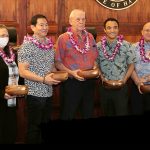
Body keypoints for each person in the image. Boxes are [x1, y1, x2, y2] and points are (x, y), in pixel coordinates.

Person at [18, 14, 60, 144]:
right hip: (34, 94)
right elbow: (23, 72)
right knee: (34, 128)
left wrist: (61, 74)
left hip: (48, 93)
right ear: (33, 27)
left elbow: (52, 68)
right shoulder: (27, 46)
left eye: (46, 24)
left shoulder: (49, 44)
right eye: (41, 25)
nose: (45, 27)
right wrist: (43, 79)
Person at [55, 9, 99, 120]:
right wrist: (72, 73)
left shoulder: (90, 37)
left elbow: (95, 58)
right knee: (68, 115)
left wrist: (95, 67)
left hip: (90, 82)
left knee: (88, 114)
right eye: (78, 19)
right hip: (72, 83)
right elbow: (57, 62)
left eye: (83, 19)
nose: (81, 22)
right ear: (70, 21)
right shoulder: (63, 38)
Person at [97, 18, 136, 116]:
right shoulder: (98, 46)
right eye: (109, 28)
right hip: (104, 88)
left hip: (121, 88)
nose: (112, 30)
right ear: (104, 30)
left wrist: (124, 80)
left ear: (118, 29)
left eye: (115, 28)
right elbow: (95, 65)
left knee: (121, 112)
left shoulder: (127, 45)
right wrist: (102, 79)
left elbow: (131, 65)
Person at [0, 24, 18, 144]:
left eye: (7, 35)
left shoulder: (11, 53)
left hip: (10, 101)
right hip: (1, 98)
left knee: (10, 132)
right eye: (2, 35)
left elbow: (18, 74)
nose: (5, 37)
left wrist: (20, 89)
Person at [130, 22, 150, 115]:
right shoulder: (134, 47)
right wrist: (138, 81)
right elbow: (130, 67)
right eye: (147, 30)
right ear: (142, 32)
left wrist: (148, 78)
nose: (149, 33)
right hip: (137, 86)